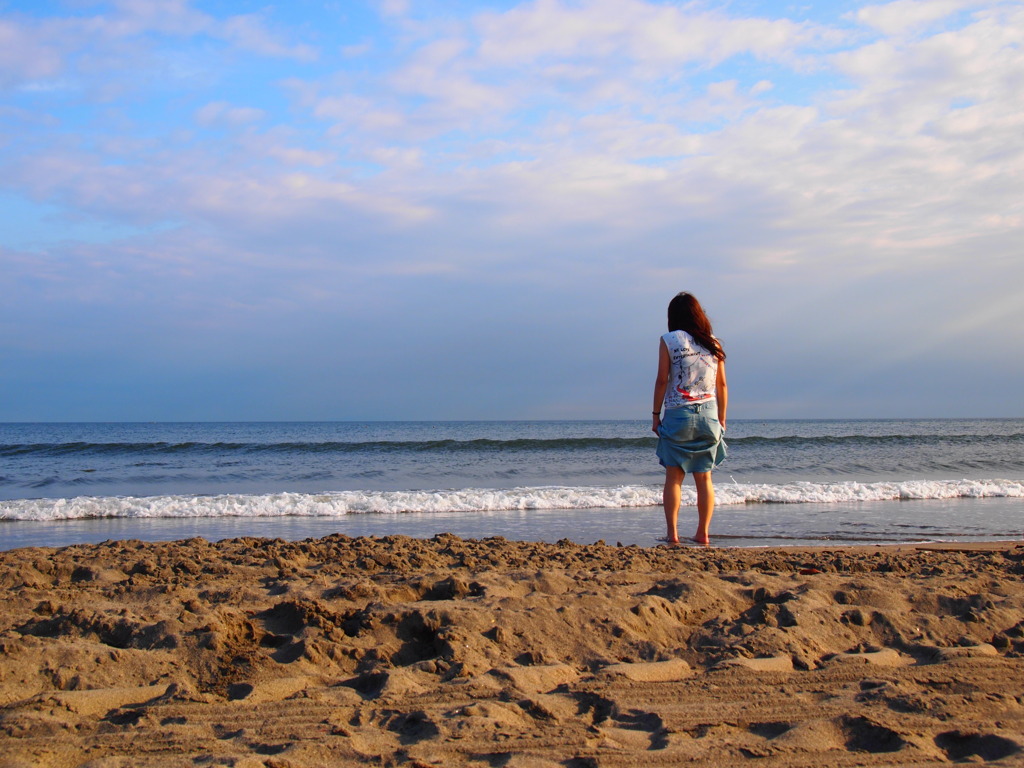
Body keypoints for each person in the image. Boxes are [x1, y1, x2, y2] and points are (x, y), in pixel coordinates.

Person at [651, 292, 728, 545]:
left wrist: (655, 415)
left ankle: (673, 534)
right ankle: (702, 533)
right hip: (708, 414)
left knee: (674, 477)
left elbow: (663, 380)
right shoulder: (712, 343)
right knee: (704, 477)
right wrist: (722, 419)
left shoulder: (669, 340)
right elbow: (722, 386)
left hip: (678, 413)